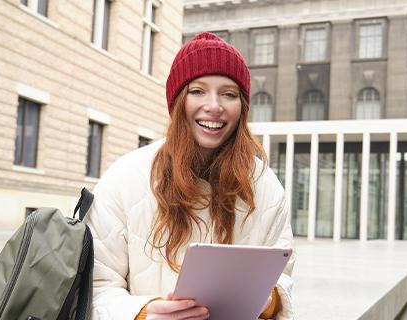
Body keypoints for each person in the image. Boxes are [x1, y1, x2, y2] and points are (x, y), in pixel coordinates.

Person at [85, 32, 295, 320]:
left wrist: (268, 300)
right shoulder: (125, 178)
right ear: (177, 101)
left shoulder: (265, 185)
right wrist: (143, 313)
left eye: (229, 94)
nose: (214, 106)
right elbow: (96, 287)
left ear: (242, 107)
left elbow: (282, 275)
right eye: (197, 91)